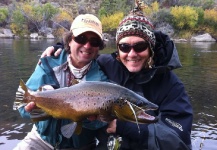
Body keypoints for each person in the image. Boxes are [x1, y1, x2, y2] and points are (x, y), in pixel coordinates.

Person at [39, 2, 193, 150]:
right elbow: (83, 51)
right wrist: (61, 48)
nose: (132, 54)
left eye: (140, 46)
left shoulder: (172, 86)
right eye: (124, 47)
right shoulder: (106, 64)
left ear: (151, 47)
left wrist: (125, 127)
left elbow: (178, 141)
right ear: (118, 49)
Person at [13, 14, 109, 150]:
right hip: (41, 139)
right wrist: (35, 108)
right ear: (70, 40)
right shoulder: (48, 63)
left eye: (94, 42)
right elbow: (22, 107)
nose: (87, 45)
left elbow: (102, 122)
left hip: (80, 147)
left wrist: (87, 118)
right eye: (81, 38)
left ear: (99, 46)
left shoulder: (101, 80)